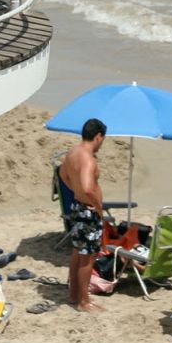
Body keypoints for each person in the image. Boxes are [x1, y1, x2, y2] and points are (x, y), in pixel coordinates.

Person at [59, 118, 107, 312]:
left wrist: (75, 190)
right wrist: (98, 206)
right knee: (88, 257)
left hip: (77, 206)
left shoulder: (72, 152)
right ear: (98, 137)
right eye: (103, 139)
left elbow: (62, 174)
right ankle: (84, 302)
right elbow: (88, 187)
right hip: (88, 209)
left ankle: (73, 295)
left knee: (78, 252)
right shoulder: (88, 158)